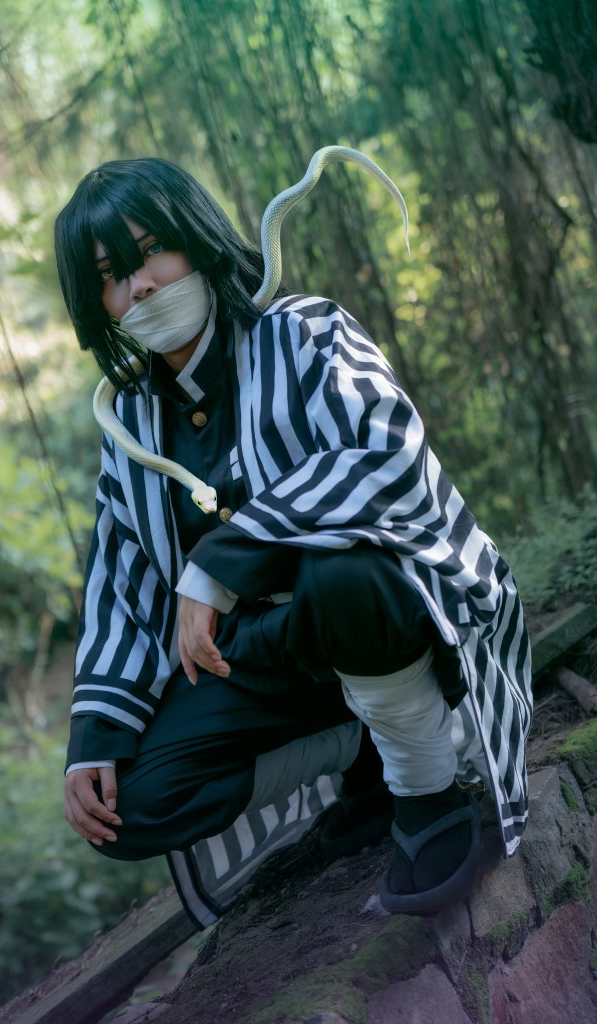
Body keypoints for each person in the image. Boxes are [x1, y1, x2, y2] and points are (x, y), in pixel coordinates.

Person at [54, 156, 532, 923]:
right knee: (127, 807)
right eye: (112, 275)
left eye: (152, 251)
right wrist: (93, 737)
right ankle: (363, 746)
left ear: (196, 237)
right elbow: (123, 582)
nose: (138, 286)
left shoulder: (305, 330)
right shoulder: (129, 424)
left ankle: (426, 790)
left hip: (386, 612)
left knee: (342, 575)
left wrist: (218, 563)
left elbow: (384, 454)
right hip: (258, 656)